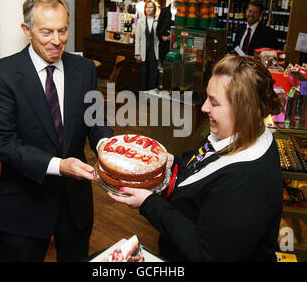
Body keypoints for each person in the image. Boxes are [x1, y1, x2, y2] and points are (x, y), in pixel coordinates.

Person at [109, 55, 285, 262]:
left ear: (243, 111)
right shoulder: (234, 136)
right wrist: (171, 162)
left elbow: (206, 254)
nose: (204, 108)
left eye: (214, 103)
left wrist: (149, 203)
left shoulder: (246, 182)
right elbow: (200, 172)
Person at [0, 0, 113, 262]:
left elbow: (95, 120)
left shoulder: (84, 69)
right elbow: (1, 142)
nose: (57, 41)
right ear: (26, 30)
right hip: (25, 205)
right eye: (46, 32)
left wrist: (107, 148)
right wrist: (59, 165)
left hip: (75, 205)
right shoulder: (1, 75)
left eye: (63, 31)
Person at [135, 0, 159, 91]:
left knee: (153, 75)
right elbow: (137, 39)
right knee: (143, 74)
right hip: (143, 52)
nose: (149, 9)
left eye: (151, 7)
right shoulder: (140, 21)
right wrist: (137, 54)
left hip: (154, 51)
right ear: (145, 9)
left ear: (154, 9)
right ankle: (143, 97)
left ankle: (151, 96)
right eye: (147, 7)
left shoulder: (158, 20)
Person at [156, 0, 177, 65]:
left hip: (176, 46)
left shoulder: (183, 12)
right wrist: (163, 37)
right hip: (164, 46)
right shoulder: (164, 11)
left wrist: (174, 35)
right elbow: (158, 29)